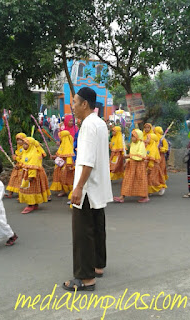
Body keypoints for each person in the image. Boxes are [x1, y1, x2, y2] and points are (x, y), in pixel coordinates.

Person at [63, 87, 113, 292]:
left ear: (85, 104)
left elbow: (87, 161)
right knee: (97, 226)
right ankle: (98, 265)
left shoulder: (87, 126)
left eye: (75, 102)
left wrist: (78, 187)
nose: (72, 106)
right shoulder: (100, 124)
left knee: (82, 232)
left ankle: (85, 278)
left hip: (87, 188)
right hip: (97, 187)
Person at [113, 129, 149, 203]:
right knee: (127, 180)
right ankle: (122, 196)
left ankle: (145, 196)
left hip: (139, 166)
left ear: (138, 137)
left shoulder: (141, 144)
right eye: (132, 136)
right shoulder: (133, 144)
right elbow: (132, 154)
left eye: (134, 136)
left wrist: (129, 156)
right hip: (132, 165)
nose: (132, 138)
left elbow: (141, 156)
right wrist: (127, 160)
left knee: (140, 181)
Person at [18, 137, 49, 214]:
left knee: (30, 189)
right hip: (27, 173)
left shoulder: (34, 154)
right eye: (24, 144)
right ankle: (34, 204)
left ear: (31, 145)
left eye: (26, 144)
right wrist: (19, 166)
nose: (23, 146)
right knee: (30, 189)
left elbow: (33, 166)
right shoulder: (26, 152)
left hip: (32, 175)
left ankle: (30, 205)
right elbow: (23, 162)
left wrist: (31, 176)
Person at [50, 130, 75, 198]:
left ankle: (71, 191)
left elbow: (69, 156)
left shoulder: (67, 146)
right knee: (60, 178)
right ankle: (63, 190)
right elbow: (59, 155)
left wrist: (69, 165)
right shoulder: (62, 146)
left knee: (67, 178)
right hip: (60, 165)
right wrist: (54, 157)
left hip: (66, 166)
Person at [5, 132, 26, 198]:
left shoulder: (25, 148)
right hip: (17, 166)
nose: (19, 141)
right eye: (18, 140)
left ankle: (21, 194)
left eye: (21, 140)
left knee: (21, 179)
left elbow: (24, 158)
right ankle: (10, 192)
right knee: (13, 178)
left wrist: (16, 158)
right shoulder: (18, 148)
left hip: (22, 166)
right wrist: (15, 157)